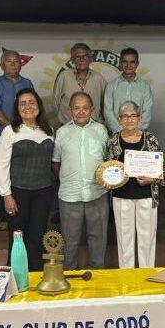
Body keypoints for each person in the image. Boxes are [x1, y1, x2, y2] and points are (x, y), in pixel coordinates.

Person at [0, 88, 54, 271]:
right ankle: (16, 276)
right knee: (17, 236)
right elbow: (1, 165)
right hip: (18, 192)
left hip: (43, 192)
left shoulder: (49, 130)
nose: (28, 106)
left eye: (32, 102)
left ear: (39, 105)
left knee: (38, 235)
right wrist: (6, 195)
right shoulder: (10, 131)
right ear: (17, 108)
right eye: (23, 103)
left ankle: (36, 274)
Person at [52, 92, 109, 270]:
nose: (81, 112)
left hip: (97, 194)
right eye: (76, 108)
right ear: (70, 110)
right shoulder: (62, 132)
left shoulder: (101, 131)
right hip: (70, 196)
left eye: (85, 108)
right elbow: (56, 163)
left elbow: (108, 161)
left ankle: (98, 276)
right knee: (69, 241)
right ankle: (69, 276)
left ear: (92, 110)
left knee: (98, 240)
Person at [105, 101, 165, 268]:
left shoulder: (150, 138)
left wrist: (152, 179)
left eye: (133, 116)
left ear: (139, 118)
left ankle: (146, 274)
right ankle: (127, 276)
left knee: (147, 240)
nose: (129, 119)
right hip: (121, 197)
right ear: (119, 119)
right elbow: (107, 167)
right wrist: (107, 180)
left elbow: (163, 169)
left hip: (146, 196)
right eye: (125, 116)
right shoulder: (113, 140)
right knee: (124, 240)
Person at [0, 48, 34, 230]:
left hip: (25, 138)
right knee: (1, 175)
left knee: (20, 175)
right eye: (9, 61)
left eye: (17, 61)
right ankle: (2, 215)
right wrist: (10, 129)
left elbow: (33, 107)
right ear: (2, 65)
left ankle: (21, 212)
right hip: (1, 136)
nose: (14, 64)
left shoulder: (27, 83)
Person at [52, 43, 107, 127]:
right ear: (72, 59)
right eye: (78, 57)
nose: (82, 60)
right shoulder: (63, 77)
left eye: (85, 56)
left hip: (93, 128)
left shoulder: (99, 79)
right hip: (68, 127)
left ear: (90, 59)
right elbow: (55, 104)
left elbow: (105, 107)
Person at [103, 47, 153, 133]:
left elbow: (147, 113)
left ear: (137, 64)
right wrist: (120, 131)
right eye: (125, 62)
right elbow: (108, 112)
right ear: (120, 63)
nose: (128, 65)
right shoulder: (111, 86)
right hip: (116, 134)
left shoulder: (145, 87)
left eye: (132, 62)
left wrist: (135, 132)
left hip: (138, 135)